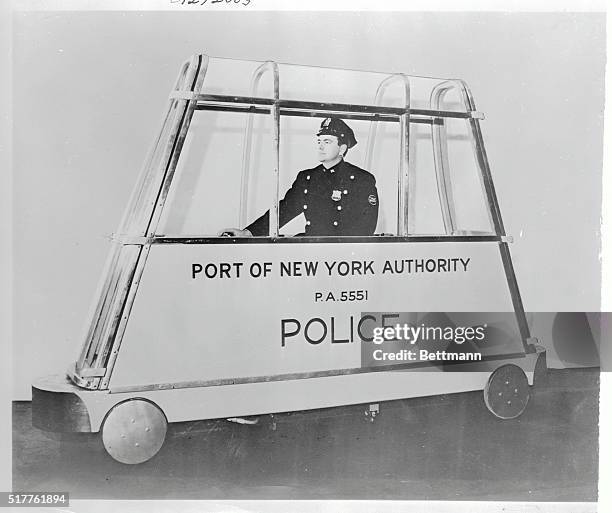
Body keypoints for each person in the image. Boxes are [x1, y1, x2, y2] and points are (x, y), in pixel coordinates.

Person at [220, 117, 379, 237]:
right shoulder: (307, 178)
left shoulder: (361, 180)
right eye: (319, 141)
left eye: (327, 142)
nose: (321, 146)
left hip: (343, 259)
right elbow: (284, 211)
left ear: (342, 148)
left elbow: (366, 227)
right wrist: (248, 233)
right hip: (309, 254)